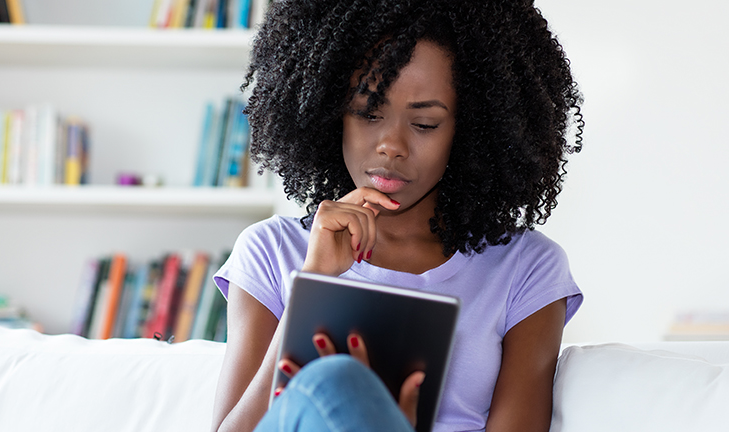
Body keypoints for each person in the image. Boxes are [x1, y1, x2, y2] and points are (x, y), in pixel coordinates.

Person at [210, 0, 585, 431]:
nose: (392, 145)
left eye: (424, 123)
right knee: (334, 381)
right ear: (331, 114)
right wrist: (311, 289)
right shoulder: (271, 250)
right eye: (368, 113)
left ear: (470, 132)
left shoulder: (526, 268)